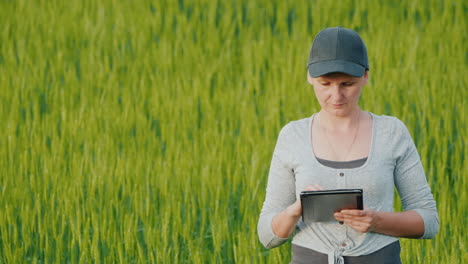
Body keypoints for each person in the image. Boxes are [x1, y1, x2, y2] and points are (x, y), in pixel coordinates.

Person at [257, 27, 439, 264]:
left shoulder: (392, 132)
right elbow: (267, 235)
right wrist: (295, 210)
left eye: (347, 84)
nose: (336, 95)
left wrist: (377, 221)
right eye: (325, 84)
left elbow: (428, 220)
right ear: (309, 78)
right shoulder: (293, 136)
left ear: (365, 76)